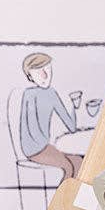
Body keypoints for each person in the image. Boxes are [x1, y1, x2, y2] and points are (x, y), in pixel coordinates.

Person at [19, 53, 82, 182]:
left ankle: (75, 194)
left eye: (47, 69)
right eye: (38, 72)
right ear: (30, 77)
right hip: (34, 149)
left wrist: (73, 107)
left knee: (78, 162)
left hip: (46, 146)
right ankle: (63, 196)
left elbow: (71, 126)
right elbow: (31, 131)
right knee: (68, 167)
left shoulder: (51, 93)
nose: (45, 75)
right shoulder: (29, 94)